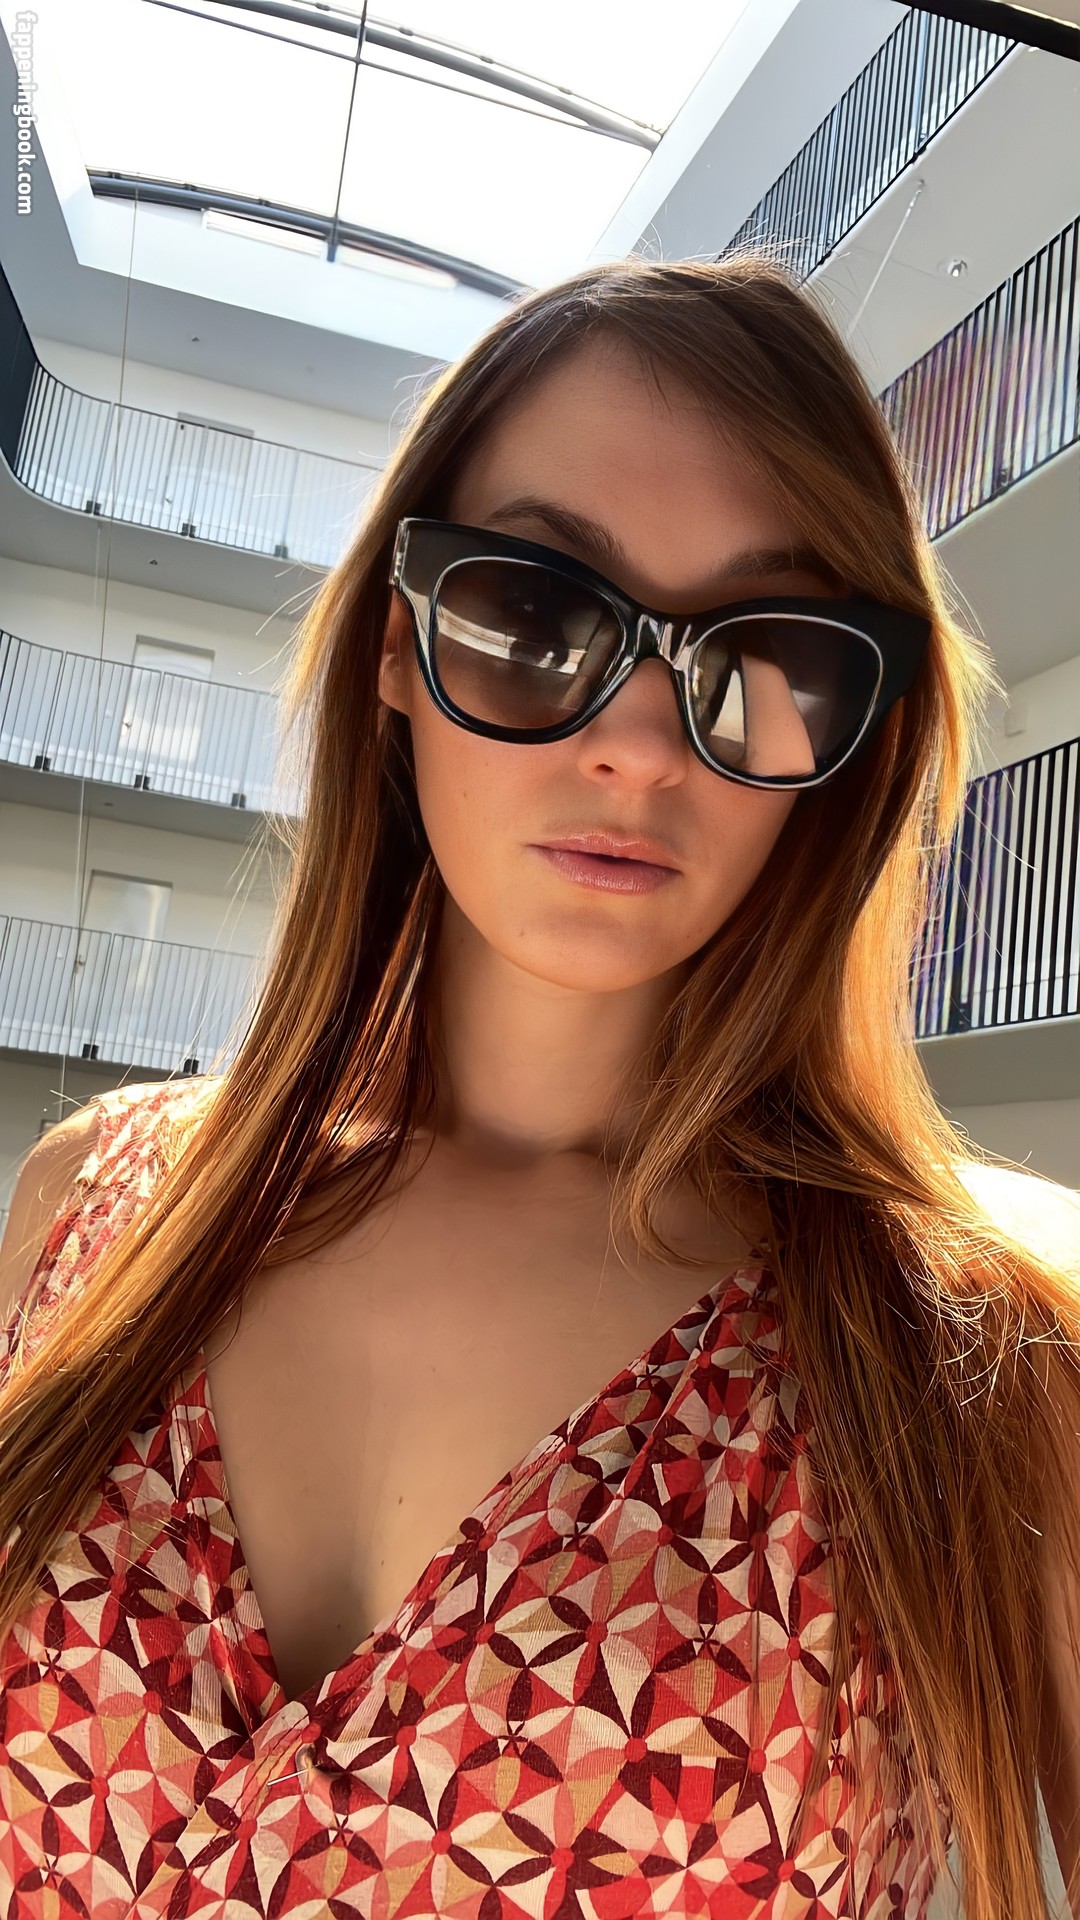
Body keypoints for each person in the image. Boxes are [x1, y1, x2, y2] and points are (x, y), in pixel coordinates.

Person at [0, 255, 1077, 1920]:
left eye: (762, 656)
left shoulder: (977, 1351)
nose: (639, 743)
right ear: (396, 645)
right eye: (534, 617)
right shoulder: (93, 1205)